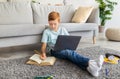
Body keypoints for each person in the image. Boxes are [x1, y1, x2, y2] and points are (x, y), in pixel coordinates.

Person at [39, 11, 104, 77]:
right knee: (68, 53)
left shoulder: (63, 29)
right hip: (54, 51)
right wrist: (43, 53)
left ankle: (90, 69)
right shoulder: (46, 32)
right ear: (48, 22)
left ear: (59, 22)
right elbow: (44, 45)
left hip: (64, 48)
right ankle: (92, 63)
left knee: (71, 56)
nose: (53, 26)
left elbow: (69, 39)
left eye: (55, 24)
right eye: (50, 24)